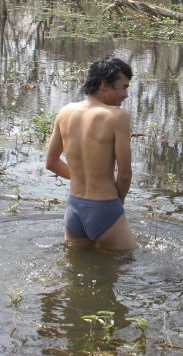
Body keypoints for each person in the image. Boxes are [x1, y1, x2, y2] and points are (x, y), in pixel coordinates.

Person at [45, 57, 138, 250]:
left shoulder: (65, 112)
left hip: (74, 208)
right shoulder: (116, 117)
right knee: (126, 265)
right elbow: (125, 174)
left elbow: (51, 163)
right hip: (105, 207)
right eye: (123, 87)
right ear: (103, 85)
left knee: (74, 274)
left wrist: (82, 177)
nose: (126, 94)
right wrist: (116, 204)